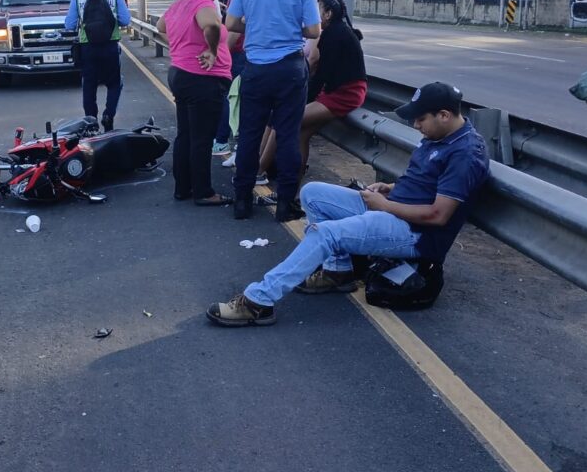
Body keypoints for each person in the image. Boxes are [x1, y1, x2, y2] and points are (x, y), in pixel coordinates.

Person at [207, 82, 490, 326]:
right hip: (393, 208)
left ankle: (258, 302)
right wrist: (391, 188)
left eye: (421, 119)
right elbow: (425, 182)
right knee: (313, 193)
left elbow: (439, 215)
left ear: (444, 115)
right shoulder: (439, 135)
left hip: (415, 232)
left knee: (326, 233)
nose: (416, 125)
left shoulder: (465, 154)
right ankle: (337, 271)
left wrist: (385, 205)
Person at [225, 0, 321, 222]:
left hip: (255, 68)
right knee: (288, 135)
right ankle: (285, 204)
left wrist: (257, 26)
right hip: (290, 69)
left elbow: (230, 23)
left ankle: (242, 201)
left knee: (250, 135)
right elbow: (315, 31)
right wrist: (292, 29)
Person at [256, 0, 367, 188]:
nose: (311, 17)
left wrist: (301, 100)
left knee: (284, 120)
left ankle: (258, 172)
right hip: (336, 91)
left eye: (317, 12)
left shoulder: (334, 35)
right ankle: (293, 189)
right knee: (301, 133)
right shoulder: (336, 31)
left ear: (328, 14)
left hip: (345, 94)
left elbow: (322, 74)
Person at [156, 0, 234, 206]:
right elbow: (210, 26)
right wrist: (210, 51)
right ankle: (203, 192)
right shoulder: (202, 4)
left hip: (181, 73)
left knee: (186, 134)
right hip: (202, 79)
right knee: (201, 137)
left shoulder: (178, 5)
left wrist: (181, 47)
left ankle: (183, 187)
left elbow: (160, 28)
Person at [65, 0, 131, 131]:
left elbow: (69, 25)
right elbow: (125, 21)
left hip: (88, 48)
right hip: (110, 46)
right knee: (115, 83)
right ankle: (109, 114)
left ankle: (91, 123)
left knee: (89, 85)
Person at [214, 0, 255, 160]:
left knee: (232, 100)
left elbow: (231, 28)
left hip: (238, 53)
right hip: (252, 53)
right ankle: (236, 146)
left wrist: (221, 54)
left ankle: (223, 142)